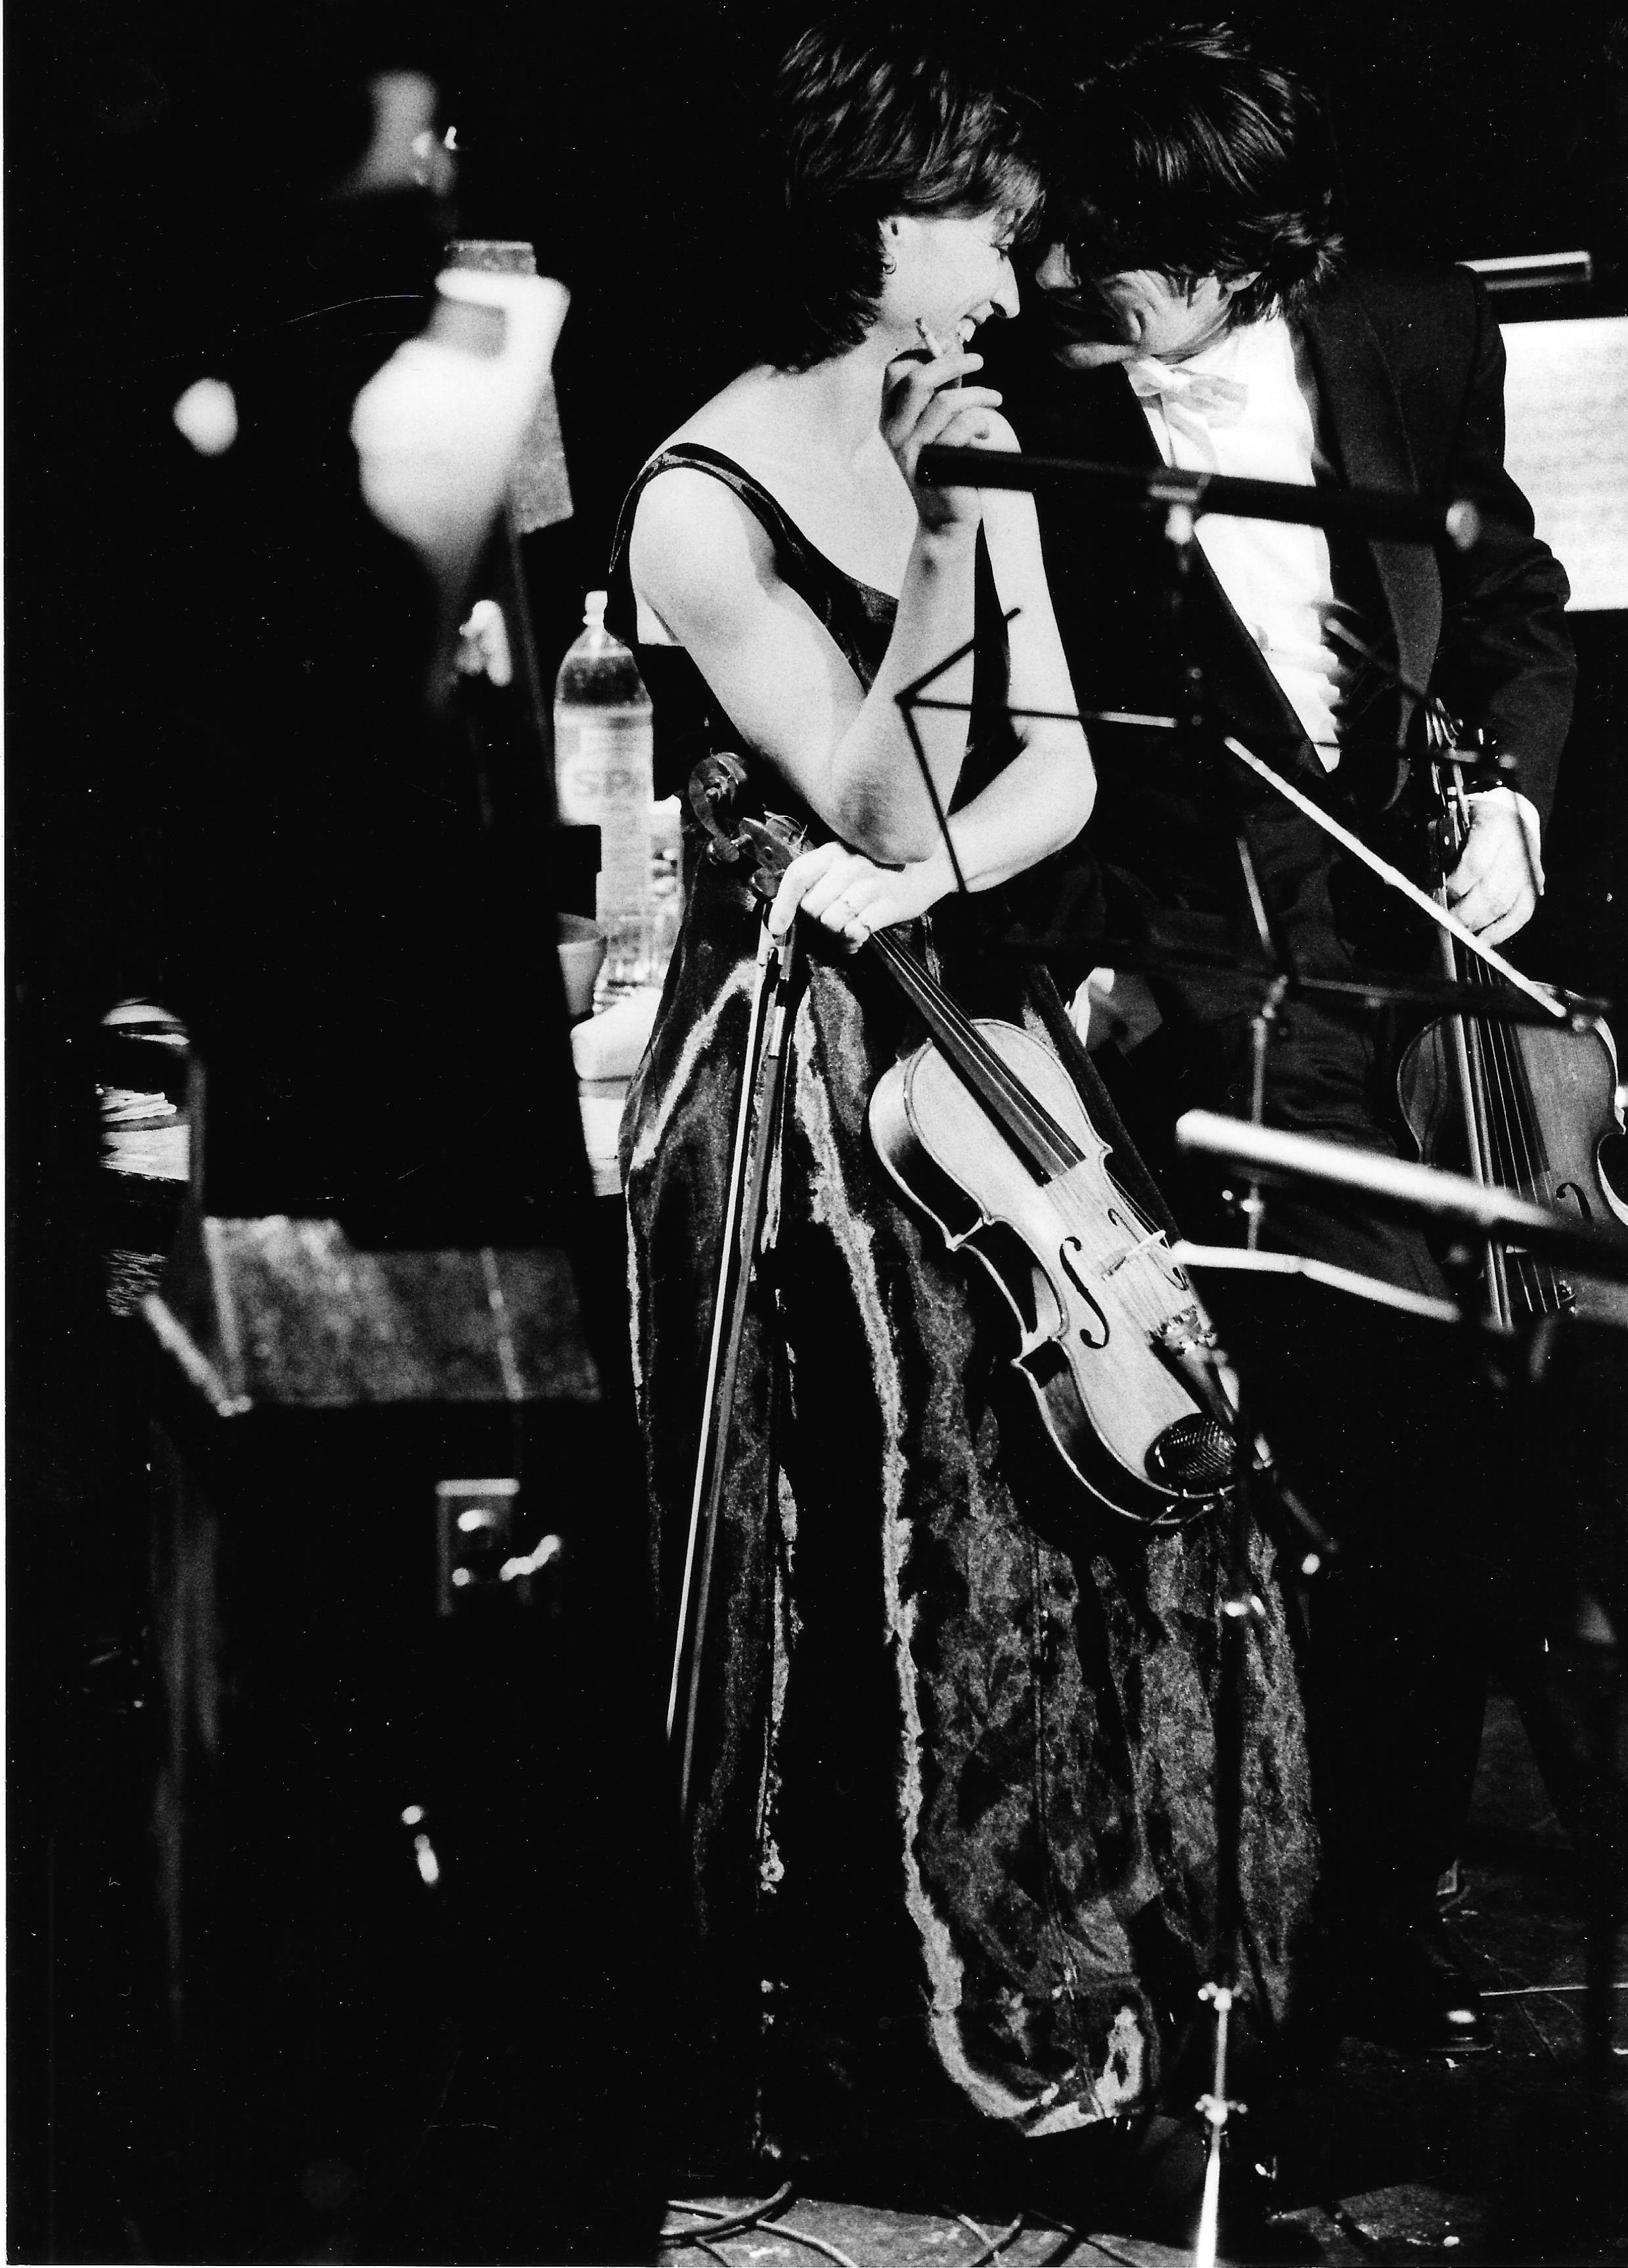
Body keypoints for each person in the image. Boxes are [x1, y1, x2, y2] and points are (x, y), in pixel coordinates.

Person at [608, 17, 1317, 2188]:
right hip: (798, 1088)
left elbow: (1055, 780)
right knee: (900, 1536)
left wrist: (929, 875)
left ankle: (1112, 2013)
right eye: (982, 234)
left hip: (961, 1022)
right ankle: (887, 2055)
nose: (1018, 275)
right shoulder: (699, 503)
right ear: (875, 228)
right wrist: (932, 557)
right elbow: (867, 787)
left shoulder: (969, 434)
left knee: (1097, 1481)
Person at [991, 19, 1576, 2056]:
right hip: (1199, 1015)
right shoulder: (1030, 413)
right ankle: (1232, 1913)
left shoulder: (1417, 335)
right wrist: (1108, 961)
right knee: (1258, 1469)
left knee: (1442, 1463)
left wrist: (1512, 798)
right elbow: (1020, 744)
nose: (1066, 283)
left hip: (1417, 1003)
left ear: (1241, 254)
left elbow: (1511, 593)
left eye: (1115, 255)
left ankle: (1384, 1904)